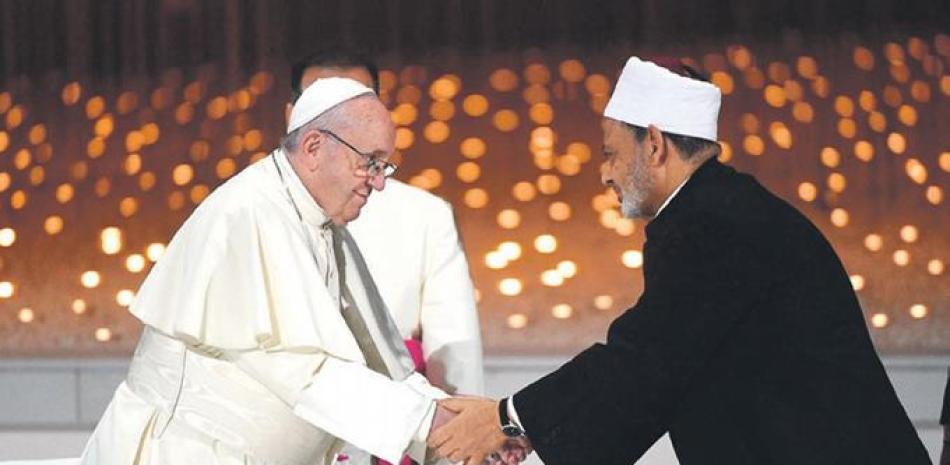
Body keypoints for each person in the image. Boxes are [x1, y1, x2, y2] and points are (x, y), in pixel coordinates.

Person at [428, 56, 931, 465]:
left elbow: (645, 360)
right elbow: (665, 378)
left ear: (654, 144)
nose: (604, 174)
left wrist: (508, 419)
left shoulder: (716, 225)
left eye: (610, 154)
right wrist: (527, 430)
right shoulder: (718, 209)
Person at [79, 78, 457, 465]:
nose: (379, 183)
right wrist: (434, 424)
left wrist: (462, 423)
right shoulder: (249, 213)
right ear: (313, 147)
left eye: (384, 166)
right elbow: (303, 372)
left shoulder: (323, 225)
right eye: (369, 163)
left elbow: (383, 360)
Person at [287, 50, 484, 399]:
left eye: (356, 108)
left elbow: (454, 349)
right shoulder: (252, 207)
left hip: (394, 421)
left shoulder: (425, 214)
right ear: (293, 118)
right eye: (323, 112)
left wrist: (459, 433)